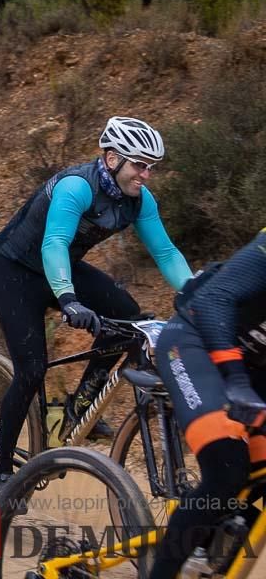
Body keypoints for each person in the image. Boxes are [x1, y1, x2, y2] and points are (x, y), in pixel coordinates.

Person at [0, 116, 193, 495]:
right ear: (113, 159)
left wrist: (196, 292)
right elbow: (55, 243)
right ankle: (1, 470)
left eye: (151, 167)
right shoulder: (76, 187)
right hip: (15, 272)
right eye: (140, 165)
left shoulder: (139, 201)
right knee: (32, 370)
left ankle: (79, 405)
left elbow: (165, 252)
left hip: (62, 269)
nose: (146, 175)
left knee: (131, 321)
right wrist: (68, 298)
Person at [148, 231, 266, 579]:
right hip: (192, 342)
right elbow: (214, 300)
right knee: (227, 466)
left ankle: (212, 542)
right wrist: (238, 383)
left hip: (252, 363)